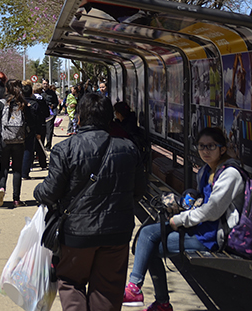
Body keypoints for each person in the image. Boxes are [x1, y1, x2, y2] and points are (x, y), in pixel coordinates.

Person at [34, 92, 146, 311]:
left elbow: (50, 192)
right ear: (109, 118)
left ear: (80, 117)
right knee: (107, 289)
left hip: (77, 233)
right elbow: (139, 192)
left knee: (71, 282)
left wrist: (38, 191)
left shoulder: (64, 149)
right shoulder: (129, 148)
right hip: (117, 232)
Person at [122, 127, 245, 310]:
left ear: (223, 149)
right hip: (201, 228)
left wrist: (179, 220)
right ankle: (151, 297)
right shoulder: (206, 171)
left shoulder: (230, 174)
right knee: (147, 238)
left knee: (148, 241)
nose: (205, 151)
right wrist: (188, 199)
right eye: (201, 146)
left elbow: (212, 211)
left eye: (211, 146)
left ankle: (140, 291)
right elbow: (203, 200)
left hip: (215, 236)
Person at [0, 81, 30, 207]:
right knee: (17, 170)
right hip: (19, 140)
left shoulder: (0, 104)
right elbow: (30, 122)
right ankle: (16, 199)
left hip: (4, 140)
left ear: (6, 89)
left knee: (3, 167)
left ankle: (1, 188)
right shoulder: (23, 104)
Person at [21, 83, 45, 179]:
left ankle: (18, 171)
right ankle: (24, 173)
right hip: (30, 130)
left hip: (17, 130)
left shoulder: (18, 103)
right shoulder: (35, 104)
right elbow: (39, 120)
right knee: (28, 150)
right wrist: (38, 132)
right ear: (31, 93)